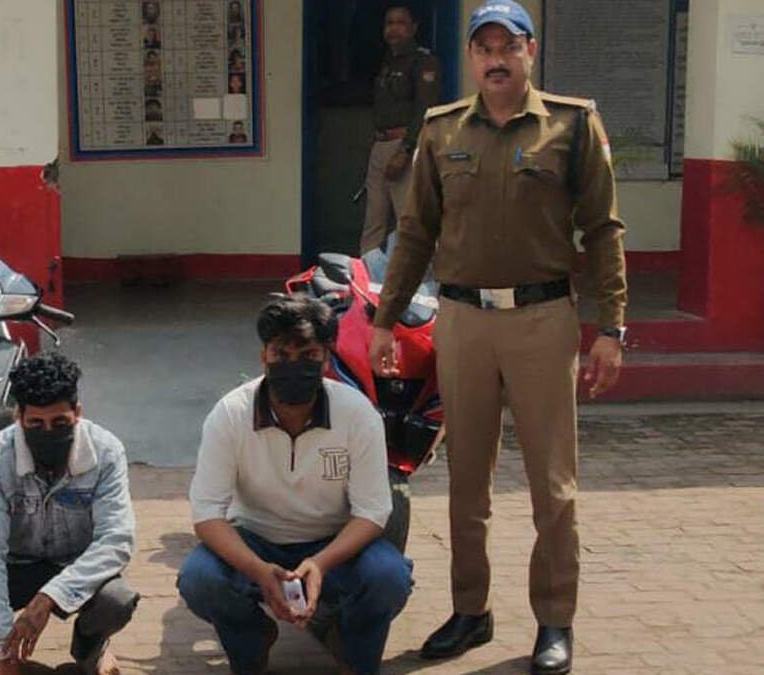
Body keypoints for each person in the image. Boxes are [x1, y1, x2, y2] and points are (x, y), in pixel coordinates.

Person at [369, 3, 627, 674]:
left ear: (529, 52)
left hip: (543, 319)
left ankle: (554, 620)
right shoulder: (443, 129)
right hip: (463, 321)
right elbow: (415, 233)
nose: (496, 59)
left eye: (508, 46)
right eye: (483, 48)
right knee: (466, 480)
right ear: (471, 57)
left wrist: (612, 327)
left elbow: (603, 230)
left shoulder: (571, 125)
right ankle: (470, 609)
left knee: (553, 484)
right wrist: (384, 320)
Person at [178, 297, 413, 675]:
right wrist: (258, 570)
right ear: (263, 356)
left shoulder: (357, 414)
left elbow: (372, 511)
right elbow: (207, 514)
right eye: (281, 354)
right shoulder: (231, 414)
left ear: (326, 358)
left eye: (308, 355)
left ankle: (352, 649)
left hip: (333, 543)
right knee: (199, 579)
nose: (294, 365)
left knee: (389, 577)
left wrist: (320, 563)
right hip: (255, 540)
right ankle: (252, 639)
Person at [0, 352, 139, 675]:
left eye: (60, 423)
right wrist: (2, 651)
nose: (48, 432)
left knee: (117, 601)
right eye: (36, 423)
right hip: (14, 567)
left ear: (78, 413)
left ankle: (91, 650)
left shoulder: (107, 453)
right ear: (18, 417)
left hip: (77, 566)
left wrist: (49, 597)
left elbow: (115, 541)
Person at [358, 4, 441, 254]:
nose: (394, 29)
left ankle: (415, 274)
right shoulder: (386, 62)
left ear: (414, 27)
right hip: (381, 145)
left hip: (404, 146)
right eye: (389, 23)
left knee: (408, 218)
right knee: (374, 219)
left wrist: (405, 149)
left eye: (401, 23)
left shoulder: (423, 62)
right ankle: (367, 273)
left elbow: (426, 110)